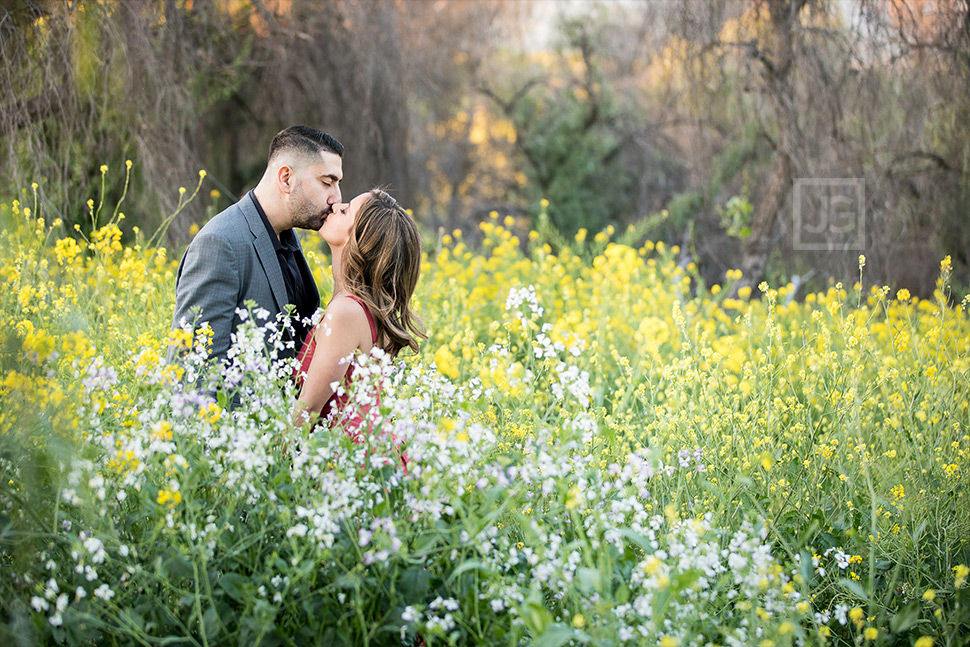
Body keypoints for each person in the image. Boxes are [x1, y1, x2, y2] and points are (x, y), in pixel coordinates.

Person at [169, 125, 344, 365]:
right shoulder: (220, 244)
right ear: (286, 179)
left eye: (337, 184)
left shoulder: (289, 240)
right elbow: (192, 372)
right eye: (327, 182)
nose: (336, 198)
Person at [292, 188, 425, 437]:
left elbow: (308, 409)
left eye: (345, 211)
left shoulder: (347, 311)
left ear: (359, 240)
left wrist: (271, 467)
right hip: (361, 454)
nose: (334, 205)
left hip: (347, 461)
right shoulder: (363, 308)